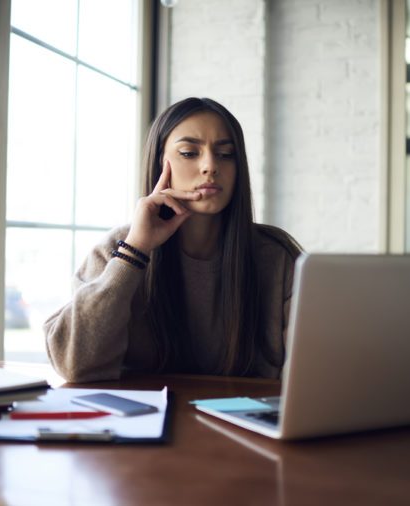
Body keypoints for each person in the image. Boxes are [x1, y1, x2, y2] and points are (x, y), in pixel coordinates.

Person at [44, 97, 302, 382]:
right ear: (159, 164)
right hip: (143, 421)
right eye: (190, 153)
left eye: (226, 154)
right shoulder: (118, 248)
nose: (210, 166)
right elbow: (74, 365)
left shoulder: (275, 256)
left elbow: (313, 372)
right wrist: (135, 251)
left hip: (246, 421)